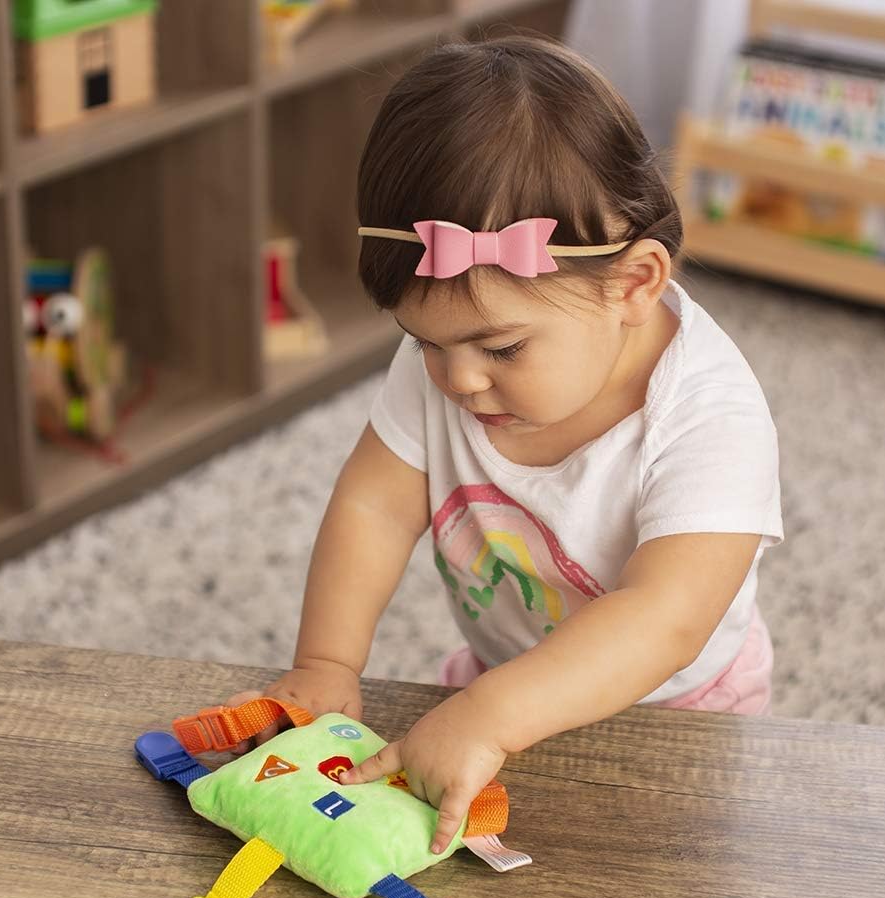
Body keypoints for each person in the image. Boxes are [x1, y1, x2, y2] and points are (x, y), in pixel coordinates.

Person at [226, 34, 783, 855]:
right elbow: (375, 506)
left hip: (676, 712)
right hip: (502, 677)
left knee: (653, 885)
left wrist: (490, 716)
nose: (457, 381)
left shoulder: (711, 420)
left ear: (633, 284)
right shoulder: (457, 352)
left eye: (502, 349)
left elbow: (664, 619)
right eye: (423, 342)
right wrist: (327, 661)